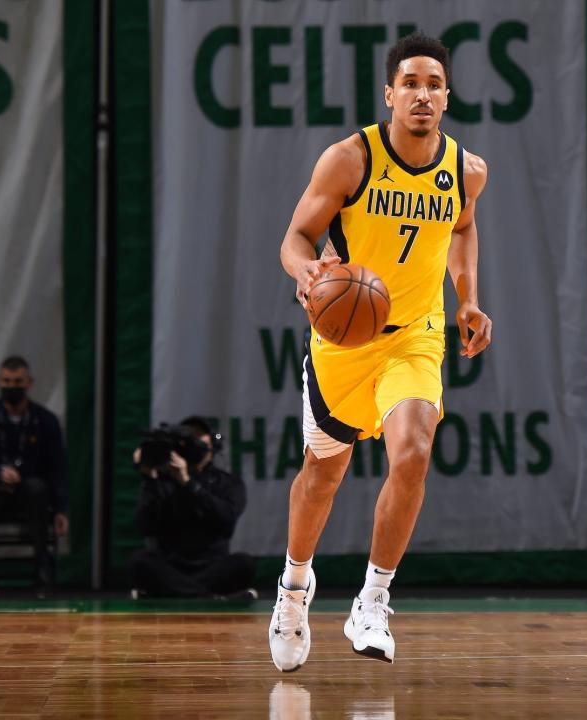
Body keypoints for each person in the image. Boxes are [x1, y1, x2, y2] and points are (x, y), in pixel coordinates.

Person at [268, 32, 492, 671]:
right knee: (323, 476)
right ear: (389, 93)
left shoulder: (467, 170)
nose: (422, 94)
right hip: (343, 339)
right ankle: (293, 586)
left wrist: (468, 297)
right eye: (411, 83)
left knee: (415, 450)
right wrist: (307, 273)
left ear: (447, 96)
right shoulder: (348, 159)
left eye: (434, 84)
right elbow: (294, 238)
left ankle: (373, 599)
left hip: (416, 336)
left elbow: (463, 226)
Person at [0, 356, 69, 595]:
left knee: (38, 488)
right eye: (7, 382)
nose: (12, 387)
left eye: (18, 381)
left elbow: (57, 468)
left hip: (30, 495)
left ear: (29, 383)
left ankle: (43, 568)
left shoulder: (45, 420)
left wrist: (62, 509)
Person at [129, 416, 257, 600]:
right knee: (139, 561)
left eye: (198, 434)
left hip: (212, 568)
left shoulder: (227, 482)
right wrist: (149, 478)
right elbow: (144, 527)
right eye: (187, 435)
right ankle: (208, 599)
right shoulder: (163, 481)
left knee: (244, 563)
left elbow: (226, 518)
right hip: (171, 568)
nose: (192, 439)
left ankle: (176, 596)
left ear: (213, 441)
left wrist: (187, 483)